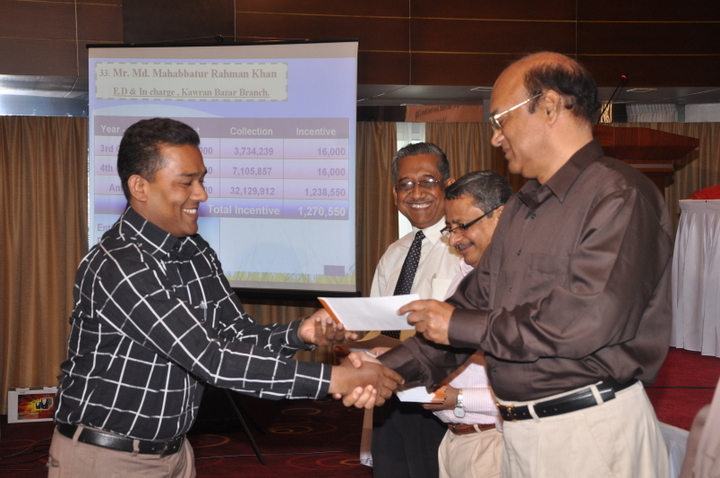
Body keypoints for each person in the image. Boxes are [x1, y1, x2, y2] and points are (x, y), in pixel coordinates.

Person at [359, 52, 674, 477]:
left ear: (549, 106)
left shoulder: (618, 195)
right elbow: (472, 304)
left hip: (589, 431)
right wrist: (384, 370)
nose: (495, 138)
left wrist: (457, 324)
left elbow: (586, 319)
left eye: (500, 120)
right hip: (519, 432)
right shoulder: (524, 205)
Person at [47, 117, 402, 478]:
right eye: (187, 182)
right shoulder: (118, 264)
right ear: (140, 186)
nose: (201, 194)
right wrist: (335, 379)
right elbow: (211, 359)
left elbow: (236, 336)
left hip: (176, 452)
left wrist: (300, 334)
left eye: (201, 180)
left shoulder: (195, 251)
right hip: (107, 458)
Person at [365, 142, 461, 478]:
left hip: (440, 400)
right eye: (405, 184)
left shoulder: (464, 249)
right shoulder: (393, 254)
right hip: (390, 397)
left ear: (449, 185)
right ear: (395, 194)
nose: (416, 192)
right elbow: (376, 326)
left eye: (427, 181)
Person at [424, 171, 512, 478]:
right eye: (449, 229)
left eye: (463, 226)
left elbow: (530, 387)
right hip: (453, 440)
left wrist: (460, 398)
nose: (455, 239)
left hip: (492, 443)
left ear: (500, 215)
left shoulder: (519, 284)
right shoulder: (463, 276)